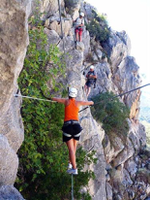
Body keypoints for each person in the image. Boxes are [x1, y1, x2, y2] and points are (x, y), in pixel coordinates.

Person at [52, 88, 94, 175]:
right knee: (73, 148)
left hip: (68, 127)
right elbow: (89, 102)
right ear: (75, 95)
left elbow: (55, 99)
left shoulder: (66, 101)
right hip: (77, 127)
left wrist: (50, 98)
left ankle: (74, 168)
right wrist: (92, 102)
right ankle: (70, 164)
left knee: (71, 149)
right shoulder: (78, 102)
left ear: (69, 94)